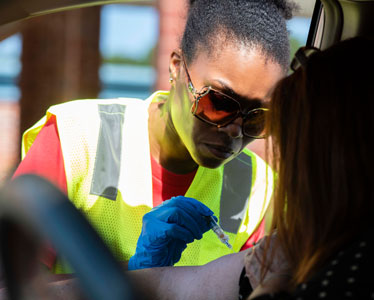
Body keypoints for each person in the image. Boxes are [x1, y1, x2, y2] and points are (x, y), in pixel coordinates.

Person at [13, 0, 295, 274]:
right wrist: (134, 274)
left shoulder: (259, 189)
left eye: (259, 117)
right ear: (176, 67)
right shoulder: (76, 138)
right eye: (219, 103)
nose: (235, 130)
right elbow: (10, 284)